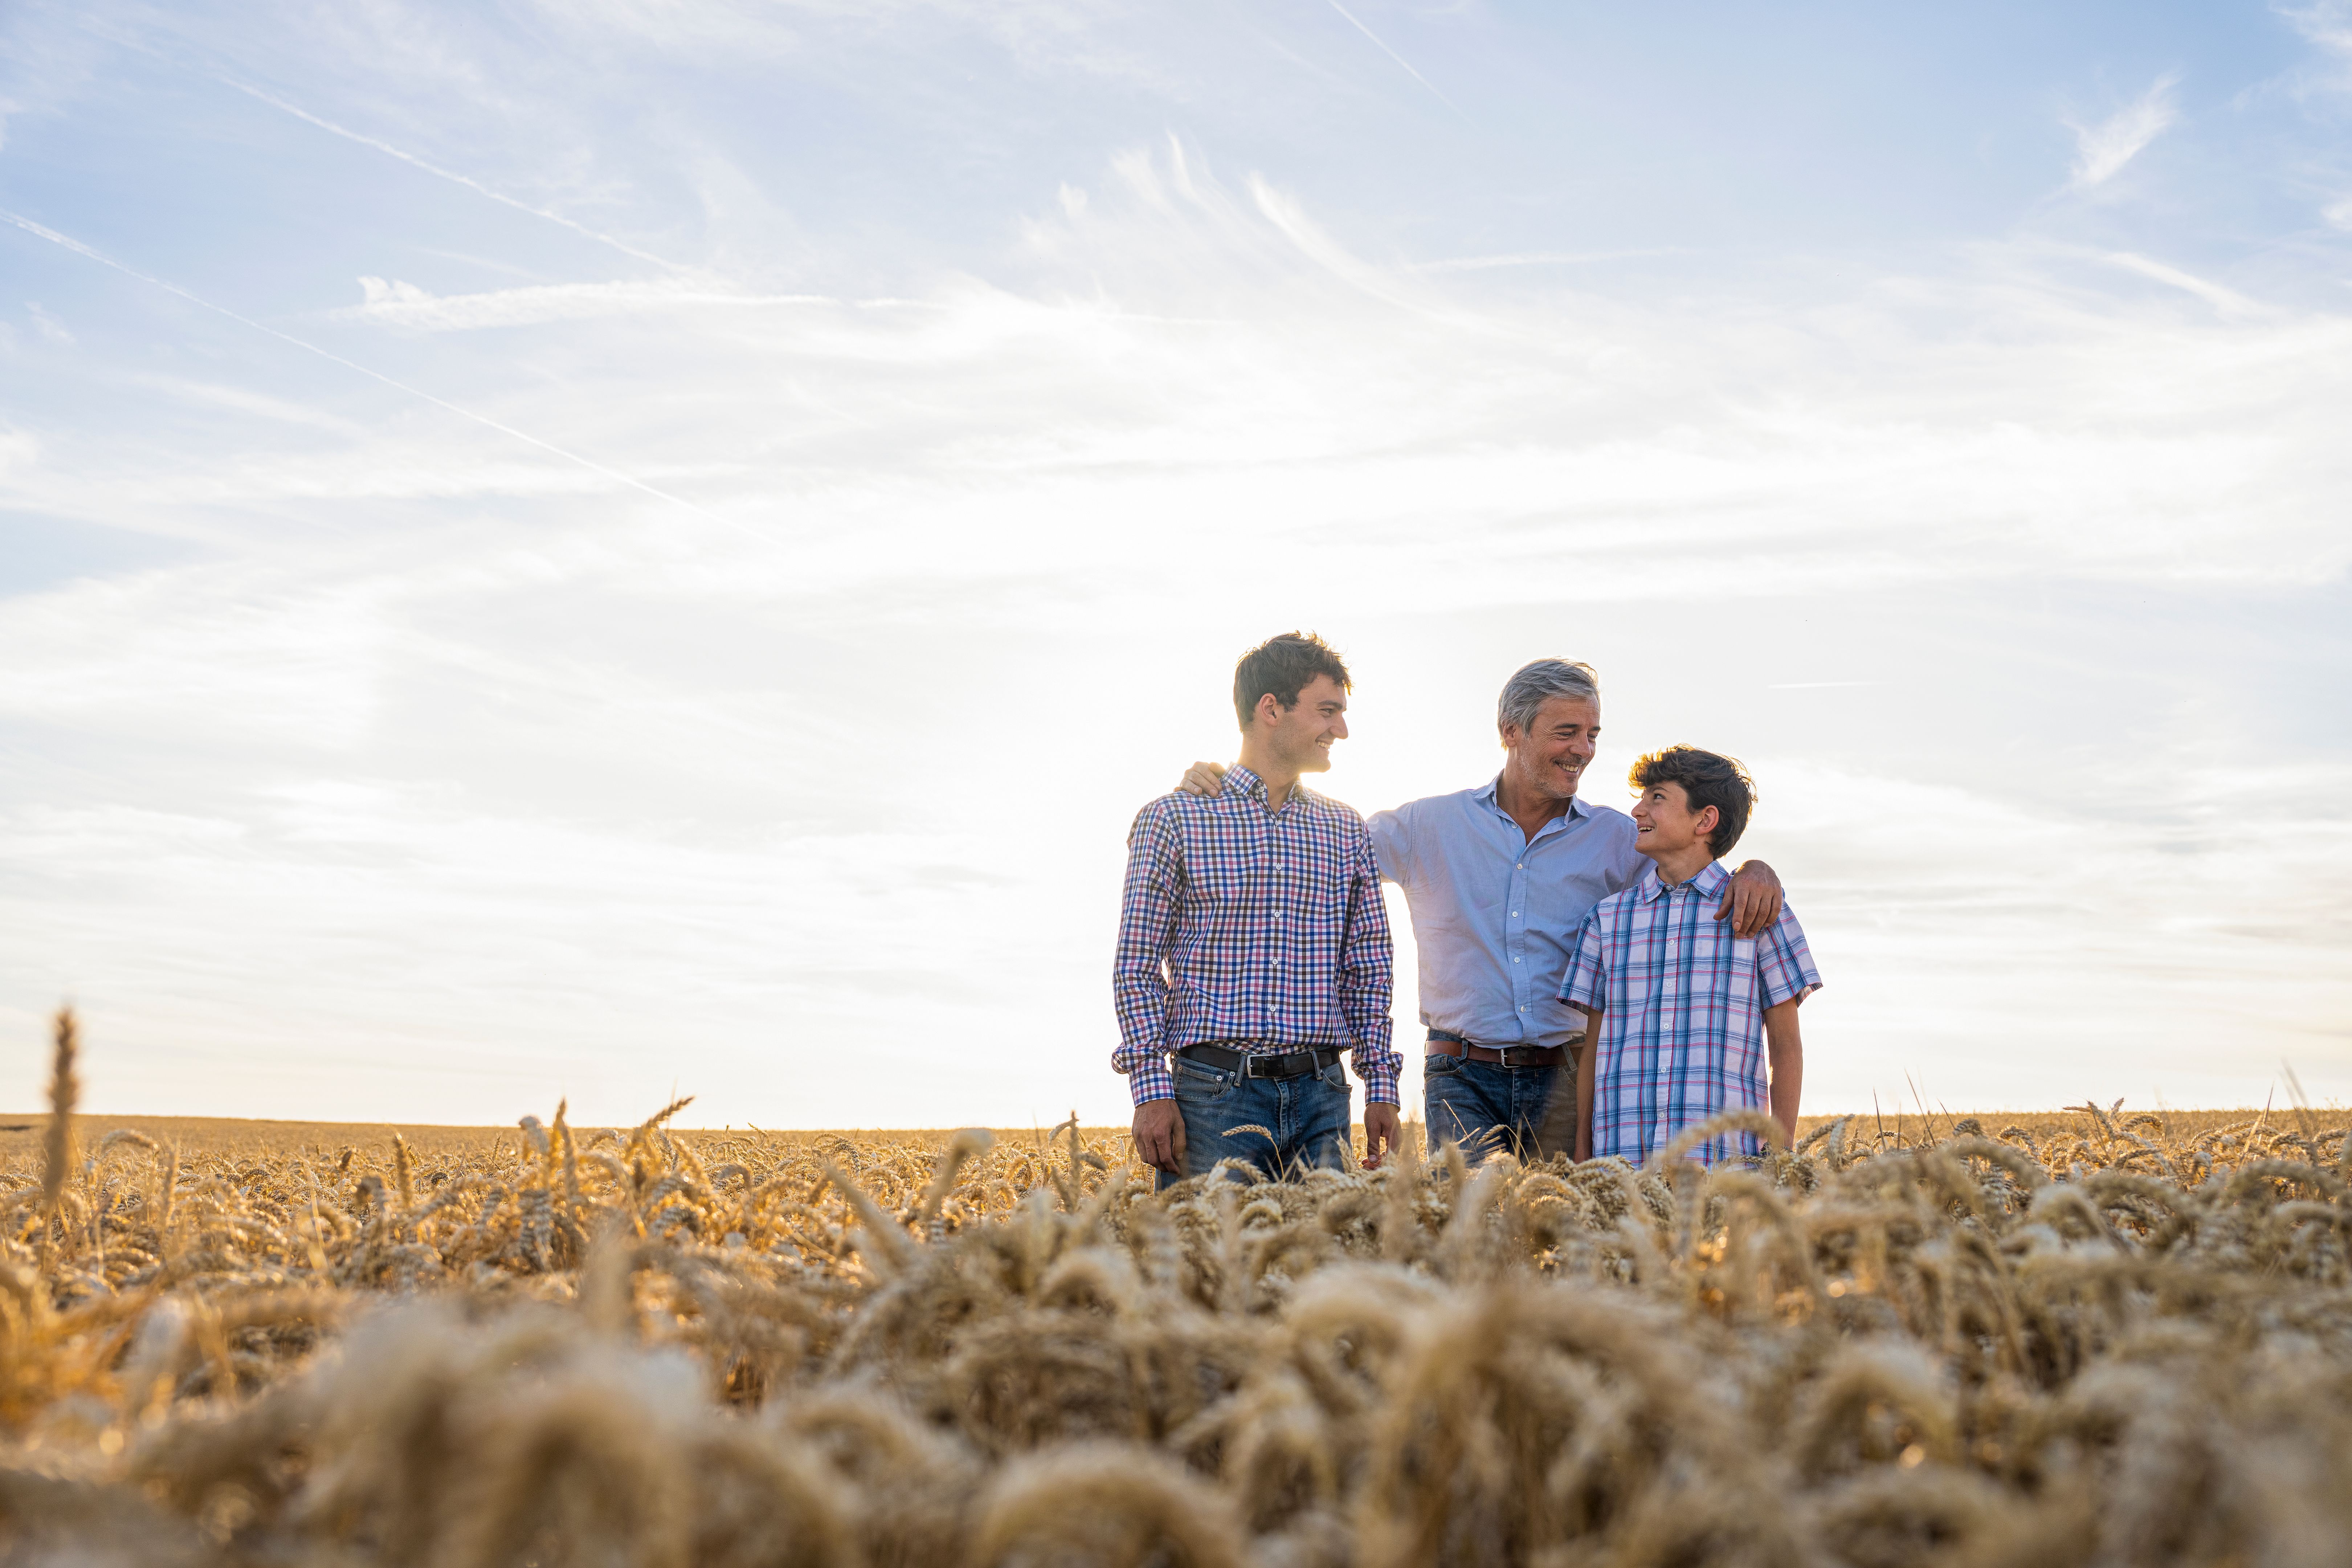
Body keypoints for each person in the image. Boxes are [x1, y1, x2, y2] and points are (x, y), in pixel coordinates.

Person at [1175, 660, 1783, 1161]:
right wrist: (1224, 787)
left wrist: (1754, 868)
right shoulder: (1430, 825)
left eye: (1593, 735)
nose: (1584, 750)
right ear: (1511, 732)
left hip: (1566, 1076)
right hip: (1459, 1076)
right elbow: (1317, 841)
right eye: (1567, 732)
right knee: (1468, 1243)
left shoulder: (1616, 838)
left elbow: (1693, 866)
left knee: (1572, 1235)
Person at [1114, 632, 1403, 1185]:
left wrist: (1381, 1087)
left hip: (1324, 1098)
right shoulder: (1174, 820)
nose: (1340, 730)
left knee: (1327, 1266)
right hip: (1213, 1100)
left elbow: (1368, 968)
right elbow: (1137, 966)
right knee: (1209, 1268)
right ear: (1270, 709)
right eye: (1327, 711)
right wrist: (1150, 1090)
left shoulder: (1345, 829)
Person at [1559, 746, 1820, 1165]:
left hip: (1726, 1163)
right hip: (1623, 1161)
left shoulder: (1760, 912)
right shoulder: (1606, 920)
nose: (1638, 811)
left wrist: (1781, 1155)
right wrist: (1583, 1149)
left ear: (1705, 820)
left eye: (1656, 798)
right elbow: (1593, 1048)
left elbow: (1786, 1046)